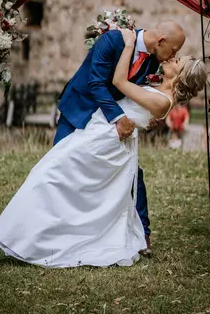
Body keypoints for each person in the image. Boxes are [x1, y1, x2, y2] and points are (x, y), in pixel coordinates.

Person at [0, 29, 207, 268]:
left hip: (104, 140)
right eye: (175, 54)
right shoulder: (158, 87)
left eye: (177, 60)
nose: (173, 57)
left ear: (180, 74)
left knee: (48, 177)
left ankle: (19, 239)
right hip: (100, 131)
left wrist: (129, 43)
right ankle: (21, 237)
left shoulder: (162, 101)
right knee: (58, 181)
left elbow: (119, 82)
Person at [55, 20, 185, 256]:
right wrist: (120, 117)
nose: (173, 56)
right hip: (81, 110)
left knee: (133, 171)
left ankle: (143, 232)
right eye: (174, 50)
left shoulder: (155, 61)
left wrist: (146, 116)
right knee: (59, 164)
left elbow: (139, 93)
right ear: (161, 41)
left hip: (110, 125)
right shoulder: (113, 41)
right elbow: (96, 83)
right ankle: (57, 227)